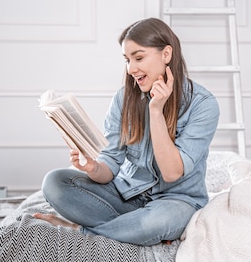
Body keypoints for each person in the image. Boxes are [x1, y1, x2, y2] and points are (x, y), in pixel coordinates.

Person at [36, 18, 220, 246]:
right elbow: (111, 163)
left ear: (166, 55)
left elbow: (172, 173)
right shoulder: (123, 99)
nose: (131, 69)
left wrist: (155, 111)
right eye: (127, 60)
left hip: (174, 202)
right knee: (54, 182)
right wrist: (93, 168)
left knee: (158, 221)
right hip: (125, 195)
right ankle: (130, 229)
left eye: (139, 58)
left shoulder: (203, 105)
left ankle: (79, 231)